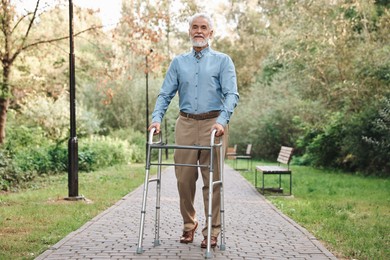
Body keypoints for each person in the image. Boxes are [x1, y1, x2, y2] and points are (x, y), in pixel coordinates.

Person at [148, 13, 239, 248]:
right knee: (184, 180)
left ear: (211, 33)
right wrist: (156, 118)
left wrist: (222, 120)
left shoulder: (223, 61)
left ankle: (212, 231)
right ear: (189, 32)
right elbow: (165, 94)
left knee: (213, 181)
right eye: (195, 27)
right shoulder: (179, 63)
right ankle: (190, 224)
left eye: (204, 27)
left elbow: (231, 95)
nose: (199, 31)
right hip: (186, 124)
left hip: (214, 125)